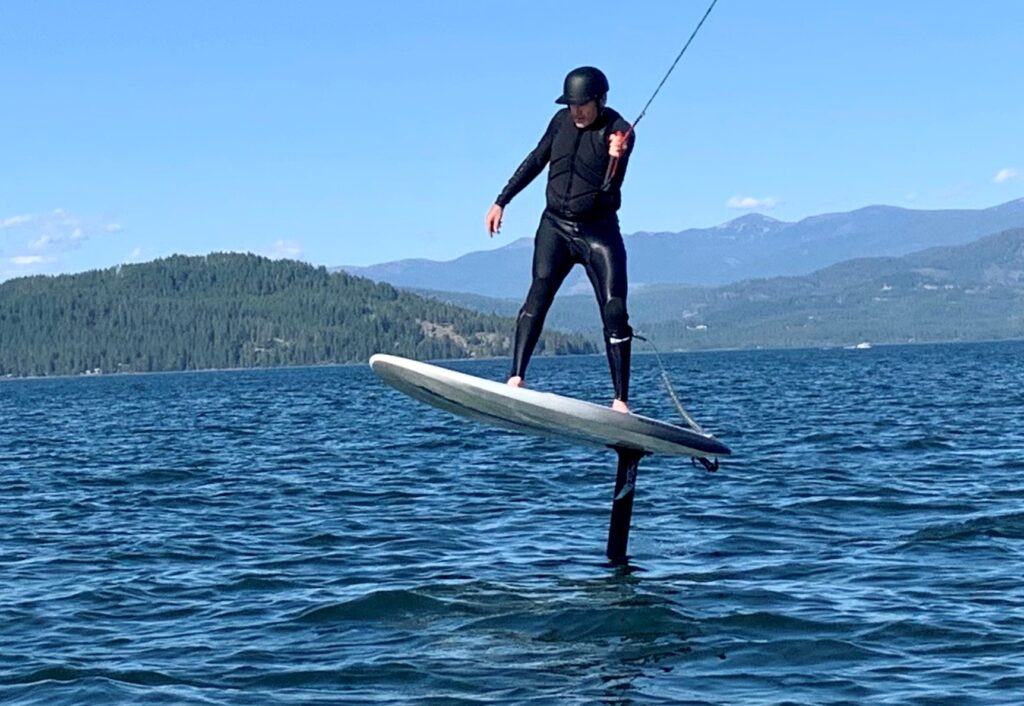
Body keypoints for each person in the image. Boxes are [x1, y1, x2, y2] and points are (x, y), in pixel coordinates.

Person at [484, 66, 635, 413]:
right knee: (537, 295)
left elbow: (612, 188)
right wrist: (501, 200)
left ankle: (620, 401)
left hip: (598, 230)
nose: (577, 111)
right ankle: (516, 378)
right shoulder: (559, 122)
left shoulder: (619, 131)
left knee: (615, 309)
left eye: (583, 104)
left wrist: (616, 158)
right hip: (555, 226)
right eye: (571, 104)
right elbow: (536, 160)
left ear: (600, 100)